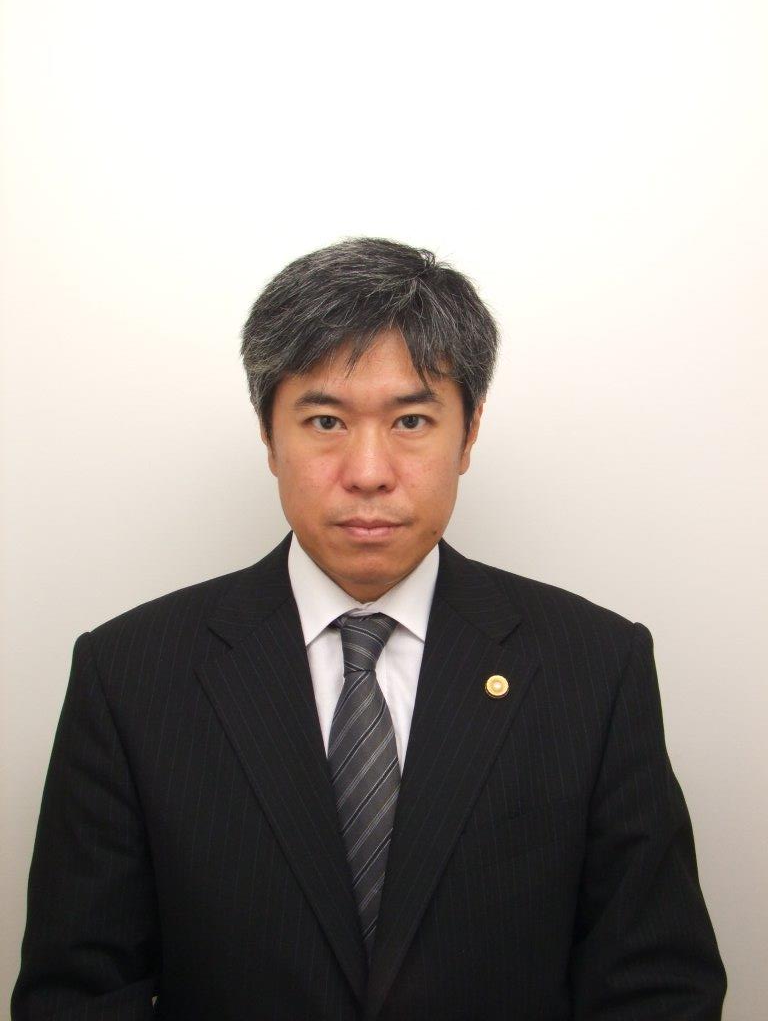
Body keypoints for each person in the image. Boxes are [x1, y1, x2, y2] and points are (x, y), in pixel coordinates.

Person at [12, 237, 726, 1020]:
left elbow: (656, 988)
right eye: (325, 420)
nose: (368, 472)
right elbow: (77, 994)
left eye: (411, 420)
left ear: (469, 433)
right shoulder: (129, 674)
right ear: (268, 435)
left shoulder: (594, 667)